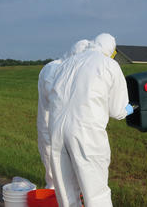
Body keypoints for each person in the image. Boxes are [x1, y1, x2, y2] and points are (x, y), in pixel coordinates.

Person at [48, 33, 132, 207]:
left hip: (56, 131)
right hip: (86, 132)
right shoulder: (109, 64)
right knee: (95, 192)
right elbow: (117, 111)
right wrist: (131, 108)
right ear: (111, 50)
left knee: (66, 193)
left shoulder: (67, 63)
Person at [37, 39, 91, 189]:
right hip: (50, 125)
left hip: (68, 125)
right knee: (53, 165)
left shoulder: (73, 70)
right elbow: (55, 97)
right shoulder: (53, 69)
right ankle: (53, 194)